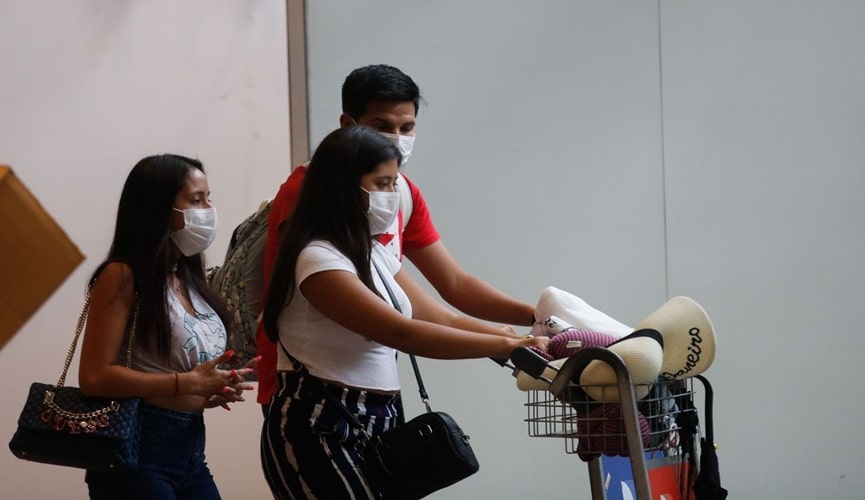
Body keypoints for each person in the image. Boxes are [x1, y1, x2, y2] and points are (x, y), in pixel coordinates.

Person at [260, 126, 549, 499]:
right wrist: (508, 347)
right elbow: (403, 333)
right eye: (382, 183)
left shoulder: (372, 251)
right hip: (321, 422)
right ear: (341, 186)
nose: (392, 196)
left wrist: (514, 335)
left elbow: (441, 317)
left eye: (394, 183)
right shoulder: (319, 260)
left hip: (379, 419)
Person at [255, 64, 537, 409]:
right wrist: (506, 344)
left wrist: (535, 322)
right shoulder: (312, 206)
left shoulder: (399, 198)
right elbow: (400, 329)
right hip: (314, 387)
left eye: (407, 128)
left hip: (372, 389)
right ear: (349, 125)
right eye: (382, 126)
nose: (398, 139)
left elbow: (453, 287)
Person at [78, 154, 258, 499]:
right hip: (137, 451)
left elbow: (172, 372)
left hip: (189, 447)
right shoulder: (123, 275)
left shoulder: (187, 277)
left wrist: (214, 386)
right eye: (195, 200)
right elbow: (95, 377)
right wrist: (185, 383)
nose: (207, 209)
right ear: (157, 209)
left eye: (208, 198)